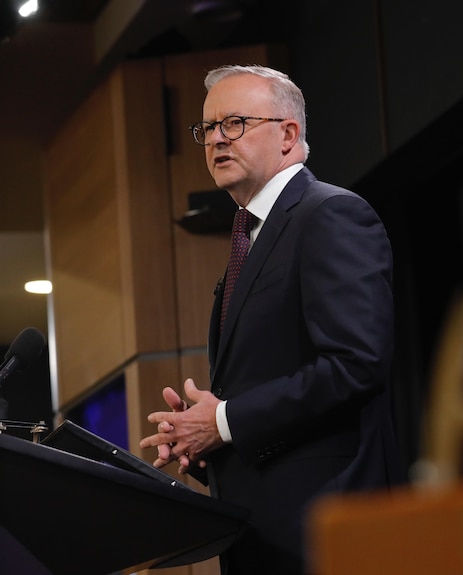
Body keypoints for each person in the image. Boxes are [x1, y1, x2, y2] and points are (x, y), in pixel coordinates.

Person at [139, 64, 405, 574]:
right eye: (207, 129)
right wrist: (204, 442)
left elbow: (356, 365)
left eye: (234, 123)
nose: (216, 140)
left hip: (329, 535)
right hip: (265, 539)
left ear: (288, 134)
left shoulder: (330, 215)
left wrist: (222, 420)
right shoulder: (249, 236)